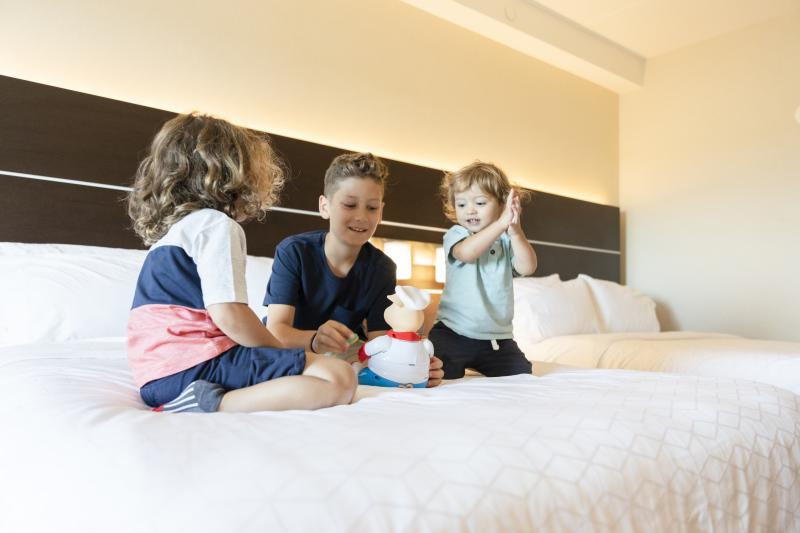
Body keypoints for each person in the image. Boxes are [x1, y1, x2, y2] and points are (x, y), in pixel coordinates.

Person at [127, 112, 356, 413]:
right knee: (339, 376)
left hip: (155, 378)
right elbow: (229, 313)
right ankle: (212, 402)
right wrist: (277, 349)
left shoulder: (170, 236)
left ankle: (204, 397)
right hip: (198, 364)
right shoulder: (215, 225)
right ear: (237, 172)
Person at [264, 152, 444, 387]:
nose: (361, 217)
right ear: (324, 206)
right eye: (350, 205)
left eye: (371, 208)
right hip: (289, 348)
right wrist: (315, 340)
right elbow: (275, 331)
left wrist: (409, 366)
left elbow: (379, 340)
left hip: (345, 354)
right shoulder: (293, 252)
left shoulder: (383, 268)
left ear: (381, 212)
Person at [428, 161, 537, 379]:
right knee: (435, 374)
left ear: (502, 204)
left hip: (496, 340)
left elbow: (528, 267)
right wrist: (500, 225)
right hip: (453, 333)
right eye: (461, 205)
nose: (470, 210)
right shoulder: (457, 234)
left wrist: (515, 231)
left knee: (521, 374)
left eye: (479, 202)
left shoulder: (507, 241)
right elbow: (466, 253)